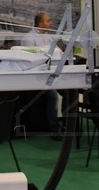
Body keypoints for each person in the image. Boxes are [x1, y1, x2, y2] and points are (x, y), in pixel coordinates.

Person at [21, 12, 66, 140]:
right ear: (40, 24)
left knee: (69, 92)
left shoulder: (48, 37)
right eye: (48, 21)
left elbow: (56, 54)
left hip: (49, 74)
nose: (51, 23)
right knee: (53, 96)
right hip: (35, 76)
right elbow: (30, 60)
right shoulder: (29, 38)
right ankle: (54, 129)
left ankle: (68, 124)